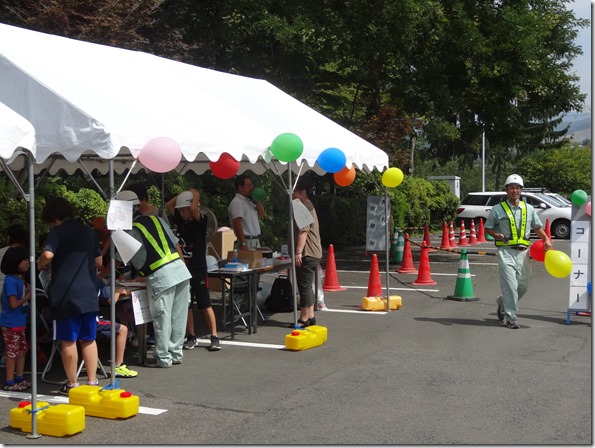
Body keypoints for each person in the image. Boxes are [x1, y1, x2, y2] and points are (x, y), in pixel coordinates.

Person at [37, 197, 103, 395]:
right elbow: (99, 261)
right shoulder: (89, 231)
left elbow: (48, 255)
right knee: (89, 339)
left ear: (54, 217)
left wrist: (40, 263)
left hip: (65, 294)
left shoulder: (57, 232)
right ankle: (92, 381)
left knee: (68, 340)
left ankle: (73, 384)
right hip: (89, 291)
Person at [119, 193, 192, 368]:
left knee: (162, 317)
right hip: (180, 271)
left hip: (162, 276)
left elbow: (118, 261)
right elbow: (176, 245)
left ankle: (163, 358)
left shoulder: (129, 230)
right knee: (178, 317)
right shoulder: (157, 220)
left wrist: (101, 275)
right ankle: (175, 354)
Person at [484, 174, 553, 329]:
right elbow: (487, 227)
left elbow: (537, 227)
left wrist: (546, 239)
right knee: (510, 285)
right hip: (505, 251)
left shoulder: (529, 209)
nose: (514, 191)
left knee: (523, 285)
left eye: (517, 188)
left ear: (521, 190)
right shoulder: (498, 209)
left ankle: (503, 301)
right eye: (511, 188)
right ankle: (511, 317)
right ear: (506, 190)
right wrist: (497, 234)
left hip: (523, 253)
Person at [167, 189, 221, 351]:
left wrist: (195, 194)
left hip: (198, 268)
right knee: (187, 304)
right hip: (184, 268)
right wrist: (184, 194)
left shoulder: (201, 221)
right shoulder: (181, 222)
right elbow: (169, 205)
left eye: (184, 210)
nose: (182, 213)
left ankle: (214, 335)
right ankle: (191, 335)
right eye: (181, 210)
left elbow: (193, 209)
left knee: (205, 303)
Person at [291, 177, 323, 328]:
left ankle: (304, 318)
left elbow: (303, 230)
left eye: (294, 191)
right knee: (307, 285)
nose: (292, 194)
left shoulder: (301, 206)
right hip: (314, 251)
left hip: (307, 252)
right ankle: (310, 316)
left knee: (304, 285)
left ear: (302, 192)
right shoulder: (309, 204)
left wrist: (298, 252)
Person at [0, 247, 32, 391]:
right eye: (24, 260)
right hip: (11, 324)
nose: (27, 263)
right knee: (12, 353)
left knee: (22, 350)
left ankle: (19, 377)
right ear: (15, 262)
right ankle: (10, 381)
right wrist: (26, 297)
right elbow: (13, 304)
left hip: (18, 323)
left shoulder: (17, 280)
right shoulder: (11, 281)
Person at [228, 174, 265, 250]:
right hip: (247, 240)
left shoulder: (247, 202)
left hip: (255, 240)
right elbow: (237, 222)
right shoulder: (237, 202)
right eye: (248, 185)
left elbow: (261, 214)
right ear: (240, 187)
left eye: (251, 185)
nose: (251, 188)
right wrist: (243, 243)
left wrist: (257, 199)